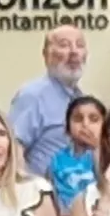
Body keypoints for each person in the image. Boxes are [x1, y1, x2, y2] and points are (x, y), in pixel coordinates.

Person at [8, 23, 96, 159]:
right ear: (46, 55)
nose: (74, 52)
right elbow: (14, 148)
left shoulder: (80, 98)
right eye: (64, 45)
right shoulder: (33, 95)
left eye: (79, 45)